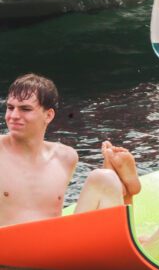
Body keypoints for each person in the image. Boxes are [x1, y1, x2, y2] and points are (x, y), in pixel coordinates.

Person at [0, 74, 140, 228]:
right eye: (10, 107)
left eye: (25, 109)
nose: (13, 116)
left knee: (104, 178)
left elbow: (105, 206)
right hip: (8, 247)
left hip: (58, 245)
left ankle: (127, 184)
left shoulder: (65, 157)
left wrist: (110, 166)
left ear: (48, 115)